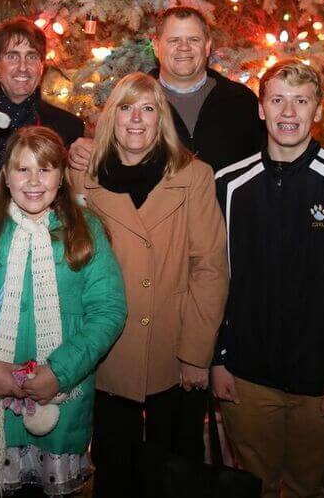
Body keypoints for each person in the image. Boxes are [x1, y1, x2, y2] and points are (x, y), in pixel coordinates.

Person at [212, 59, 324, 497]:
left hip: (322, 380)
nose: (288, 112)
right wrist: (216, 358)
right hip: (245, 377)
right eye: (277, 100)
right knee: (253, 486)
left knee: (306, 488)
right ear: (261, 110)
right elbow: (212, 279)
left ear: (317, 110)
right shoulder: (228, 184)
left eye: (300, 101)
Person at [0, 126, 126, 497]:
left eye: (45, 169)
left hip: (62, 401)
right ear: (6, 177)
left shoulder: (85, 230)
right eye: (22, 169)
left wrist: (61, 372)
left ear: (61, 176)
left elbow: (108, 310)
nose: (33, 181)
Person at [68, 72, 229, 497]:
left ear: (162, 119)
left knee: (173, 472)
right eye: (125, 108)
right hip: (108, 353)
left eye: (148, 108)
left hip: (173, 353)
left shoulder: (193, 176)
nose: (135, 119)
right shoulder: (86, 178)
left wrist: (196, 355)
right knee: (114, 470)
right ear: (110, 118)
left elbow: (209, 267)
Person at [69, 6, 263, 175]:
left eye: (193, 39)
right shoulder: (128, 102)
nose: (184, 48)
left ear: (207, 46)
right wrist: (83, 150)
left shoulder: (241, 102)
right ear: (155, 46)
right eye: (174, 40)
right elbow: (103, 153)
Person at [0, 18, 84, 177]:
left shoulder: (70, 128)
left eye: (31, 56)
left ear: (41, 66)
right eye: (12, 56)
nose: (23, 67)